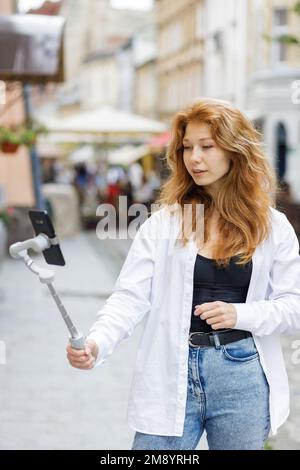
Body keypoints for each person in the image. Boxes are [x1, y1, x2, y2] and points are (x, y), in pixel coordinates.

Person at [66, 98, 300, 450]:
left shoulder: (273, 227)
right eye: (188, 147)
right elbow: (130, 297)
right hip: (170, 372)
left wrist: (241, 313)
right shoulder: (166, 222)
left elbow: (293, 306)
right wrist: (99, 342)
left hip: (242, 374)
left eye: (207, 146)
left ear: (235, 150)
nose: (194, 158)